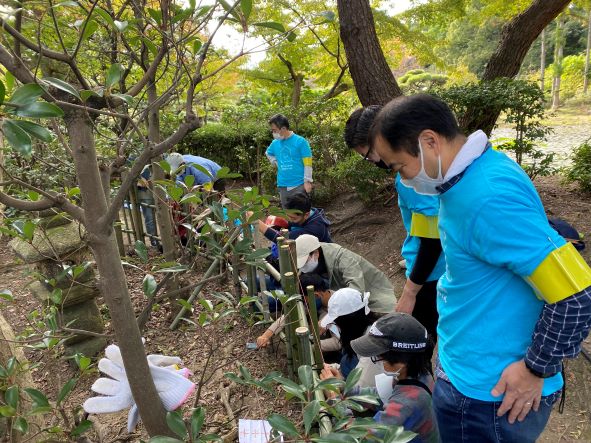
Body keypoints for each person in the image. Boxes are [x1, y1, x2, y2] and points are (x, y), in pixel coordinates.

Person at [369, 93, 591, 442]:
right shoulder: (471, 177)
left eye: (399, 166)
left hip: (488, 394)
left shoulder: (486, 197)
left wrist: (536, 367)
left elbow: (575, 295)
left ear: (429, 141)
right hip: (470, 368)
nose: (403, 178)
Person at [345, 105, 445, 341]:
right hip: (438, 268)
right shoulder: (432, 163)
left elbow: (432, 240)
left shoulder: (410, 179)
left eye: (369, 153)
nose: (370, 160)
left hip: (430, 275)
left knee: (419, 342)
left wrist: (410, 291)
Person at [320, 312, 439, 443]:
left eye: (379, 357)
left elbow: (360, 439)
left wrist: (334, 399)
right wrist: (342, 386)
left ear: (401, 361)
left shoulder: (409, 402)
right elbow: (378, 395)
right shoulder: (417, 373)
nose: (378, 361)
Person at [295, 234, 396, 315]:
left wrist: (331, 316)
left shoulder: (343, 259)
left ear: (316, 253)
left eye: (304, 262)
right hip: (345, 295)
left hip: (374, 295)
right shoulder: (315, 257)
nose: (302, 267)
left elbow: (356, 292)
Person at [256, 273, 340, 355]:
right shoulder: (318, 301)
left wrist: (307, 347)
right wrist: (265, 336)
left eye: (303, 299)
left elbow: (338, 343)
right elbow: (288, 316)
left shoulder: (340, 307)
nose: (304, 302)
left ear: (316, 295)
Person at [266, 114, 313, 207]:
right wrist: (275, 162)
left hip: (299, 184)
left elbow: (308, 163)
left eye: (274, 130)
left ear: (283, 128)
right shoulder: (275, 143)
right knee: (288, 214)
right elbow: (268, 153)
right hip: (283, 184)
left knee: (300, 214)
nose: (273, 133)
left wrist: (307, 181)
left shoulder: (300, 141)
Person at [255, 192, 332, 243]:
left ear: (306, 215)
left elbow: (283, 239)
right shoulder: (309, 212)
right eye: (288, 216)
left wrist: (257, 223)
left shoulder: (315, 228)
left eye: (293, 218)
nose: (289, 219)